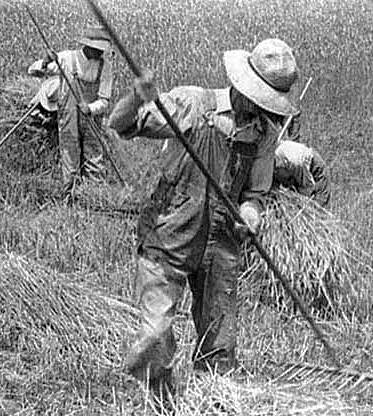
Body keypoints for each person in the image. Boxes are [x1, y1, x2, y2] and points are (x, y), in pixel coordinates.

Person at [108, 38, 299, 402]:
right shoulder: (194, 104)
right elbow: (121, 124)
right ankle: (161, 402)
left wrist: (250, 214)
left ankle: (212, 401)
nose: (261, 110)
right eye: (259, 99)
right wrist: (137, 97)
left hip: (221, 244)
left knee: (220, 346)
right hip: (170, 235)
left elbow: (255, 194)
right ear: (243, 85)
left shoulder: (264, 134)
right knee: (153, 339)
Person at [28, 26, 114, 200]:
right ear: (87, 46)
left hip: (92, 116)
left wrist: (90, 108)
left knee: (94, 155)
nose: (99, 53)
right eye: (97, 49)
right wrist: (45, 61)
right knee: (70, 152)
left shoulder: (105, 67)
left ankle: (95, 197)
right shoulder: (66, 58)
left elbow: (105, 101)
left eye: (101, 50)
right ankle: (70, 196)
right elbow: (34, 71)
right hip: (69, 114)